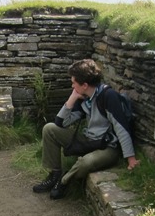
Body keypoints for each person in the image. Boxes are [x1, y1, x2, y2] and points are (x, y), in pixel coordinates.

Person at [32, 59, 140, 199]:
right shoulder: (84, 98)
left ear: (84, 85)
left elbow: (121, 129)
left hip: (107, 147)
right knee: (49, 129)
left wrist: (131, 159)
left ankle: (64, 181)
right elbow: (60, 123)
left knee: (85, 162)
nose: (72, 86)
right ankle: (54, 174)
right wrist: (72, 99)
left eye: (74, 83)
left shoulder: (108, 96)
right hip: (88, 140)